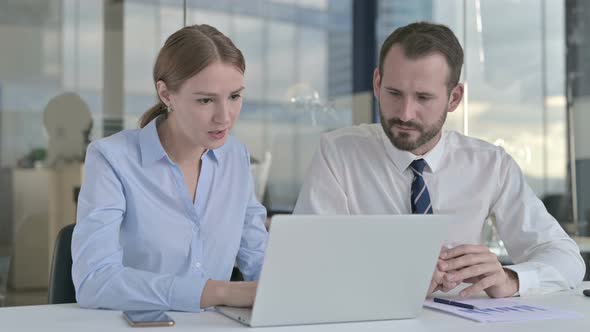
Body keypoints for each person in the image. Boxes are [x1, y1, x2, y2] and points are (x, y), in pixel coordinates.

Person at [294, 22, 585, 298]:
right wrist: (393, 279)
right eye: (394, 93)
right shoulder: (338, 154)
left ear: (454, 98)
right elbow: (304, 264)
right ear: (376, 83)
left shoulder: (490, 165)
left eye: (423, 98)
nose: (405, 113)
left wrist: (512, 279)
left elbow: (566, 259)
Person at [72, 24, 267, 312]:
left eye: (235, 97)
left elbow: (258, 255)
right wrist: (217, 291)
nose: (224, 117)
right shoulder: (112, 158)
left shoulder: (235, 156)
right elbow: (94, 282)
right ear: (166, 94)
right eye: (205, 100)